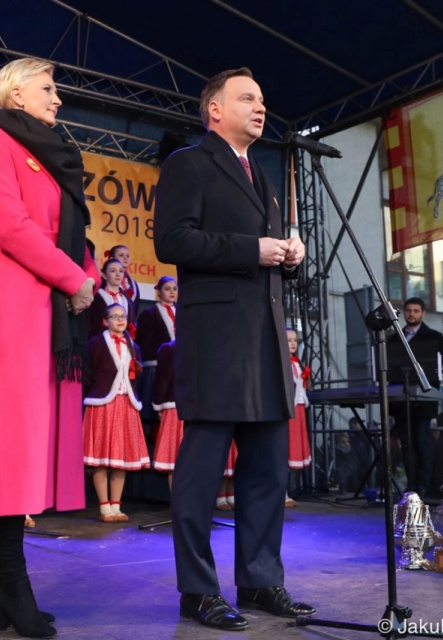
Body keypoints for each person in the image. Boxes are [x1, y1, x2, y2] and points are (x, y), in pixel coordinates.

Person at [154, 67, 313, 630]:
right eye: (247, 97)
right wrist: (256, 248)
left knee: (269, 469)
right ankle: (197, 589)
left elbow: (265, 261)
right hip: (218, 343)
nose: (260, 106)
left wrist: (288, 257)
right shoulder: (190, 163)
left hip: (266, 343)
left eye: (263, 99)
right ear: (214, 110)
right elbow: (172, 240)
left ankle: (261, 580)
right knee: (200, 474)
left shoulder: (262, 176)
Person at [0, 56, 99, 638]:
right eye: (48, 89)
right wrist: (75, 279)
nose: (58, 99)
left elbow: (77, 230)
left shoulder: (53, 156)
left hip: (53, 303)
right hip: (17, 298)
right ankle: (12, 578)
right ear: (15, 94)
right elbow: (12, 226)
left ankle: (2, 578)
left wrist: (85, 274)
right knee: (12, 443)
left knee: (33, 444)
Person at [83, 303, 149, 522]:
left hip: (125, 403)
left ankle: (116, 505)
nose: (120, 320)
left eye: (123, 316)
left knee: (120, 458)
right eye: (115, 316)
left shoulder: (133, 345)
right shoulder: (96, 344)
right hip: (103, 403)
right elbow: (89, 372)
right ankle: (104, 506)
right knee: (101, 458)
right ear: (105, 320)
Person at [387, 296, 443, 497]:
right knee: (407, 445)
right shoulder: (393, 339)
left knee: (422, 442)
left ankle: (423, 486)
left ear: (423, 313)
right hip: (401, 401)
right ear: (404, 313)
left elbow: (436, 369)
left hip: (423, 400)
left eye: (416, 311)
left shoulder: (434, 337)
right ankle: (411, 487)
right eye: (409, 310)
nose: (412, 314)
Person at [135, 275, 177, 423]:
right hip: (156, 364)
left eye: (174, 289)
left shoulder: (183, 312)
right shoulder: (149, 313)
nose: (171, 292)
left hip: (179, 364)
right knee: (152, 405)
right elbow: (143, 342)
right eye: (167, 289)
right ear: (159, 291)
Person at [286, 328, 311, 507]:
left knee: (292, 451)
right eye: (289, 340)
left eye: (295, 340)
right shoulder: (284, 363)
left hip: (298, 410)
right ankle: (282, 493)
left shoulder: (296, 363)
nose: (293, 343)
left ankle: (287, 491)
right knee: (284, 451)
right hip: (289, 411)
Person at [151, 339, 180, 489]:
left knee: (178, 459)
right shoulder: (170, 349)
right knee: (174, 459)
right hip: (175, 407)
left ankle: (185, 505)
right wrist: (158, 403)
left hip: (190, 409)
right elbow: (163, 379)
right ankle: (179, 504)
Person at [87, 258, 135, 338]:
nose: (118, 274)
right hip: (99, 343)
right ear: (104, 275)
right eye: (113, 271)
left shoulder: (127, 300)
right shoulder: (96, 297)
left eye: (121, 271)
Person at [105, 244, 139, 309]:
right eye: (121, 255)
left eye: (127, 256)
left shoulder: (132, 283)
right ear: (112, 258)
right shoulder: (104, 280)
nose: (125, 258)